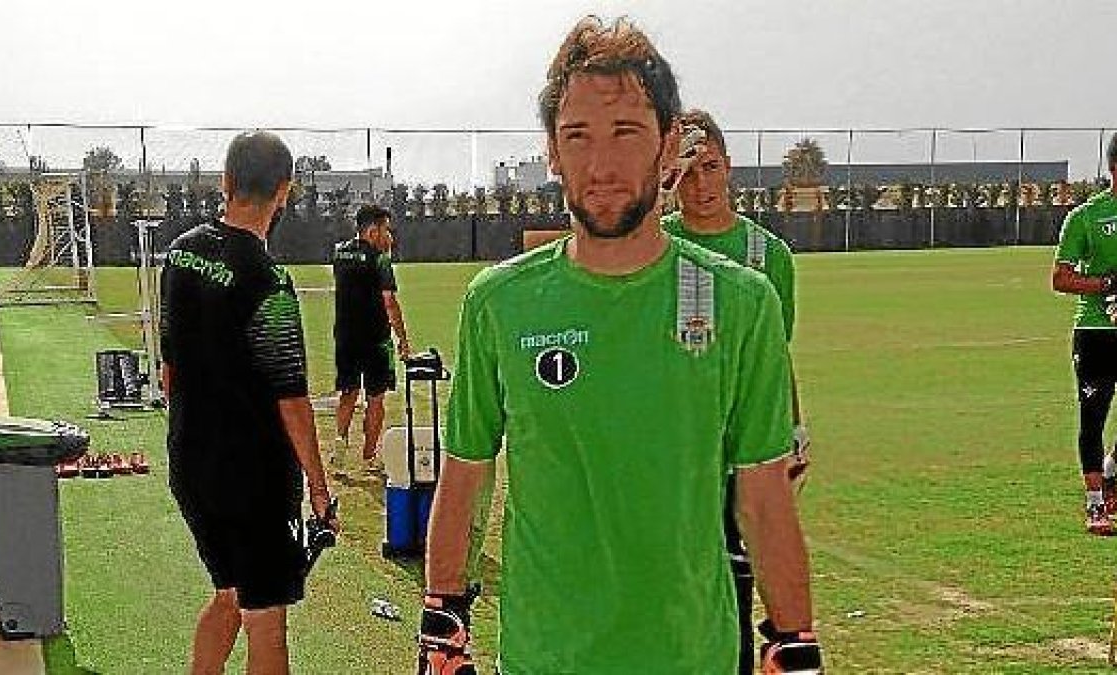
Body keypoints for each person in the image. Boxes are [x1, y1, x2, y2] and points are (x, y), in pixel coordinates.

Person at [420, 16, 821, 674]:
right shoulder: (499, 302)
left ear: (667, 148)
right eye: (577, 136)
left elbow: (763, 497)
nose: (601, 164)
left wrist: (793, 641)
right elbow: (466, 471)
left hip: (693, 655)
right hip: (544, 657)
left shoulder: (742, 302)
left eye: (626, 133)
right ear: (552, 151)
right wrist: (442, 622)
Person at [160, 131, 337, 675]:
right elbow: (292, 401)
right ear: (284, 191)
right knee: (267, 626)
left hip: (191, 462)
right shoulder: (269, 283)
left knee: (230, 594)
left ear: (225, 181)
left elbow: (170, 373)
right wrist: (320, 489)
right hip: (253, 481)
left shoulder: (181, 253)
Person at [662, 108, 810, 673]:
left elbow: (776, 358)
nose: (701, 185)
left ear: (730, 169)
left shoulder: (767, 255)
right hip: (670, 450)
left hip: (742, 456)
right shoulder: (651, 244)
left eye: (712, 168)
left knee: (737, 586)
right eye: (688, 172)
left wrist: (793, 429)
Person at [1052, 132, 1117, 536]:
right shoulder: (1086, 217)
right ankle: (1096, 505)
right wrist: (1106, 284)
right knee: (1093, 417)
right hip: (1096, 333)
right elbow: (1061, 277)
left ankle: (1111, 472)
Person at [331, 204, 411, 472]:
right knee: (376, 399)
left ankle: (340, 442)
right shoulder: (380, 259)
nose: (389, 235)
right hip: (375, 339)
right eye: (386, 229)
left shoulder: (339, 253)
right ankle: (368, 455)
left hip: (344, 336)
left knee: (348, 392)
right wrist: (402, 338)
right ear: (373, 230)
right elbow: (389, 301)